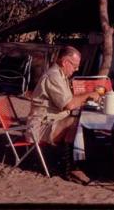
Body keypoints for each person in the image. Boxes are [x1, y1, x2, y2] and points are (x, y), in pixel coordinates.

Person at [26, 46, 101, 185]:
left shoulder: (61, 75)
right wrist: (89, 95)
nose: (77, 69)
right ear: (65, 62)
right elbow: (69, 105)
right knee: (75, 121)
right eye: (75, 66)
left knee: (83, 120)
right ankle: (71, 168)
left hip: (52, 121)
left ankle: (82, 163)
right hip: (40, 127)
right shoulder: (53, 76)